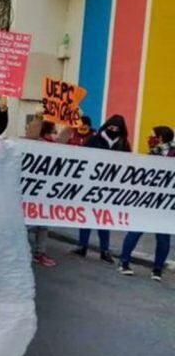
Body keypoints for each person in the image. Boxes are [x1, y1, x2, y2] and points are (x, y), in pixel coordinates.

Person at [71, 114, 131, 262]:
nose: (113, 130)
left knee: (103, 219)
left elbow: (128, 163)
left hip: (110, 186)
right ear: (106, 126)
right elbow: (83, 157)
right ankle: (82, 246)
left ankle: (105, 250)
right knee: (85, 216)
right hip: (91, 183)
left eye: (116, 129)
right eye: (111, 127)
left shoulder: (123, 144)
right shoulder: (95, 139)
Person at [117, 126, 174, 280]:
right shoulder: (151, 153)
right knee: (135, 232)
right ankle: (124, 262)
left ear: (161, 137)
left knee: (163, 239)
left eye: (152, 135)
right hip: (146, 201)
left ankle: (157, 269)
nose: (150, 138)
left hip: (165, 205)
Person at [27, 120, 59, 267]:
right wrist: (39, 118)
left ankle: (39, 253)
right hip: (32, 192)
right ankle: (23, 251)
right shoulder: (35, 143)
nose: (56, 135)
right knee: (27, 225)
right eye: (54, 132)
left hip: (45, 193)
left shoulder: (54, 146)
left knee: (43, 225)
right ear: (46, 132)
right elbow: (31, 135)